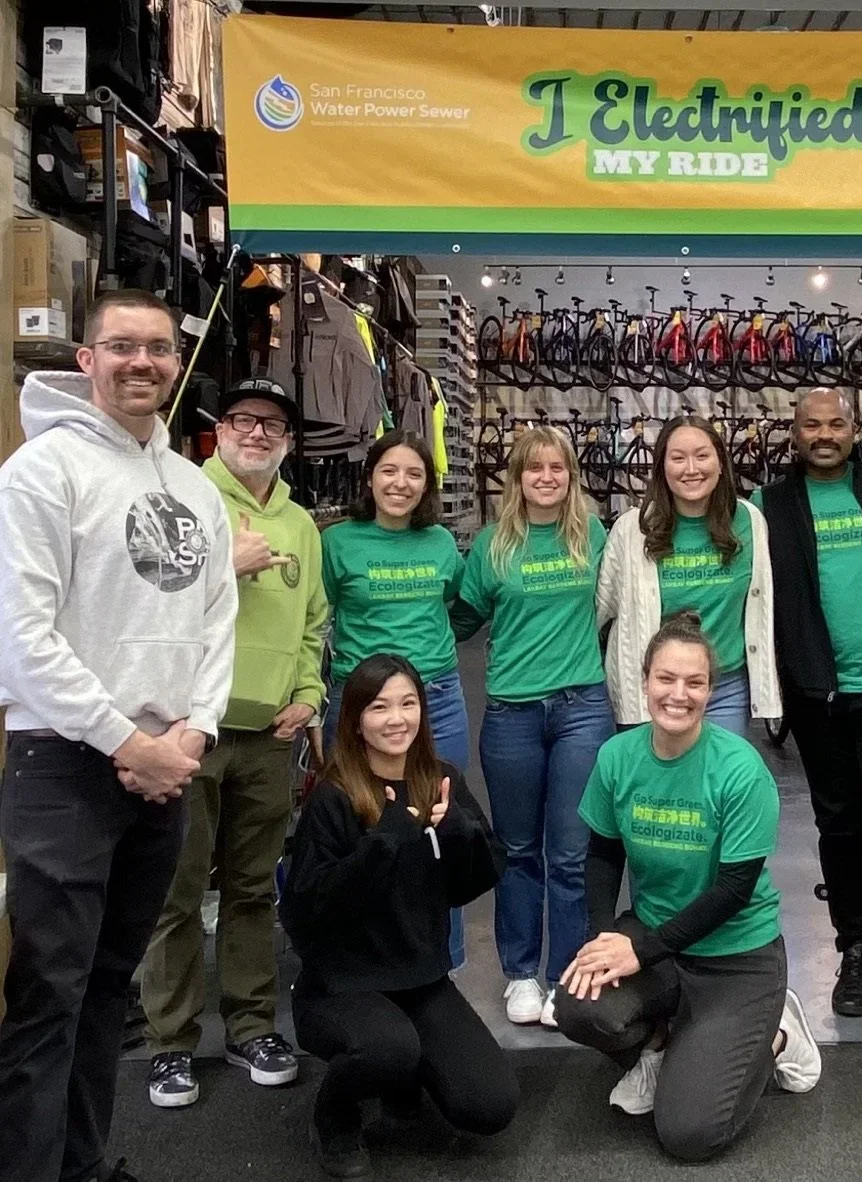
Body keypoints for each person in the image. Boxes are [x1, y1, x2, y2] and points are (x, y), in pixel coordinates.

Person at [0, 289, 237, 1182]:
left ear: (177, 365)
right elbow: (22, 642)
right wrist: (124, 743)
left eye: (159, 350)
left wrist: (195, 734)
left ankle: (83, 1165)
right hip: (64, 763)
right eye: (123, 347)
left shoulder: (191, 487)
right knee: (46, 997)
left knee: (109, 989)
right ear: (86, 360)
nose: (144, 363)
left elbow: (219, 619)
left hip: (166, 767)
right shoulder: (39, 473)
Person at [554, 611, 821, 1162]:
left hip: (736, 956)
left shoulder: (740, 771)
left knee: (688, 1135)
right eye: (665, 679)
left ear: (710, 690)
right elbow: (603, 853)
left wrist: (640, 951)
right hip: (659, 946)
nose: (678, 694)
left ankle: (775, 1036)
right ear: (644, 680)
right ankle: (659, 1044)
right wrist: (606, 940)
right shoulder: (617, 757)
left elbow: (733, 891)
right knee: (578, 1005)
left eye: (694, 683)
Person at [141, 378, 328, 1108]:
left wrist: (309, 693)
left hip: (268, 733)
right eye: (245, 419)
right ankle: (170, 1043)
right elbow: (144, 598)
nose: (258, 432)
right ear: (218, 428)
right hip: (187, 729)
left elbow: (313, 621)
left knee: (253, 890)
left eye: (273, 423)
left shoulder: (302, 524)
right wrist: (226, 565)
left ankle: (252, 1026)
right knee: (177, 894)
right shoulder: (181, 496)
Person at [280, 655, 517, 1179]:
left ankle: (402, 1075)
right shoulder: (336, 795)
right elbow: (307, 912)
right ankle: (335, 1118)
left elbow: (475, 880)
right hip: (341, 984)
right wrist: (381, 843)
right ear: (357, 719)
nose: (396, 718)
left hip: (420, 978)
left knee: (490, 1105)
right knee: (387, 1047)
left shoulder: (442, 781)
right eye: (380, 706)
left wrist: (460, 834)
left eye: (408, 703)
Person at [753, 387, 862, 1018]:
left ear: (855, 429)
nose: (824, 434)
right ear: (794, 433)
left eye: (836, 424)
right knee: (835, 816)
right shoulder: (769, 506)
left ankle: (846, 856)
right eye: (811, 425)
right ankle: (855, 951)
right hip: (816, 693)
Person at [452, 426, 613, 1028]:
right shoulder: (493, 546)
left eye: (558, 468)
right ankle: (520, 974)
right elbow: (462, 618)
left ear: (571, 476)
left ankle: (564, 976)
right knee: (518, 851)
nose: (547, 478)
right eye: (534, 468)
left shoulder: (591, 535)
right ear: (515, 478)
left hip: (581, 710)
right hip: (512, 715)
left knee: (570, 853)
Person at [321, 428, 471, 967]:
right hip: (361, 703)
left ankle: (442, 958)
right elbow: (319, 617)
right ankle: (363, 954)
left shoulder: (439, 544)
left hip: (436, 699)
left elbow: (454, 605)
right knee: (361, 824)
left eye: (414, 474)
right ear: (370, 477)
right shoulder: (337, 542)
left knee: (437, 822)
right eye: (389, 471)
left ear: (427, 485)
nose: (400, 483)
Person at [597, 414, 779, 736]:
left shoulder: (749, 521)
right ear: (662, 469)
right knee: (656, 784)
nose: (691, 469)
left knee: (716, 782)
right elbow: (600, 610)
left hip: (723, 689)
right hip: (652, 690)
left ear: (721, 463)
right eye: (678, 458)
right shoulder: (631, 530)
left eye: (702, 455)